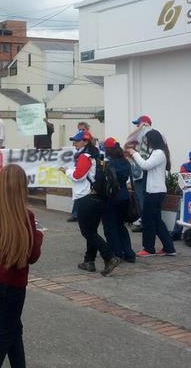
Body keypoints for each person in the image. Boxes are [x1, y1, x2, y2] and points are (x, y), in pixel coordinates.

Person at [0, 164, 44, 368]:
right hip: (10, 283)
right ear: (21, 187)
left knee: (13, 328)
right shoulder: (26, 217)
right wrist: (39, 235)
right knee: (5, 334)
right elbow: (32, 256)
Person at [61, 130, 120, 276]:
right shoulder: (97, 156)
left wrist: (66, 171)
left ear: (85, 141)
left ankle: (110, 256)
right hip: (98, 197)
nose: (74, 143)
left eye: (76, 140)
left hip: (86, 198)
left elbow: (77, 175)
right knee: (92, 231)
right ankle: (89, 261)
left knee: (87, 232)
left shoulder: (85, 156)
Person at [126, 129, 176, 257]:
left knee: (148, 221)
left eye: (146, 140)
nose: (145, 142)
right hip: (155, 190)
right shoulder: (158, 152)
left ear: (152, 140)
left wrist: (134, 153)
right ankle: (169, 248)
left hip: (154, 191)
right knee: (157, 221)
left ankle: (148, 249)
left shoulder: (159, 153)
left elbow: (145, 165)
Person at [101, 138, 135, 262]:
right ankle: (129, 253)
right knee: (121, 226)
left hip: (112, 197)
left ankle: (116, 253)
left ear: (108, 149)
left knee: (110, 227)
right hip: (124, 197)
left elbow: (104, 180)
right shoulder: (125, 162)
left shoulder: (108, 163)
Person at [125, 115, 153, 232]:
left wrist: (141, 127)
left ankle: (145, 223)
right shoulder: (144, 137)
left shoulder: (147, 135)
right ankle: (144, 221)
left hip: (142, 173)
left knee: (142, 199)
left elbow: (128, 140)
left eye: (138, 124)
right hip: (139, 173)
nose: (137, 126)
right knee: (141, 199)